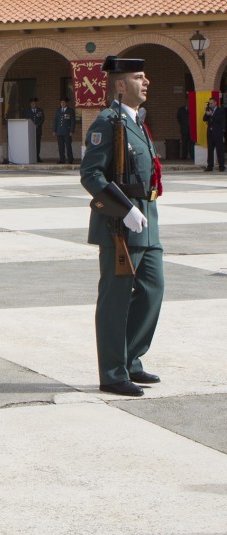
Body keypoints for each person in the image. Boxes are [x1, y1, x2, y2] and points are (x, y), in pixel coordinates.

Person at [80, 56, 164, 397]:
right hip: (120, 223)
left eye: (145, 77)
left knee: (153, 290)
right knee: (115, 299)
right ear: (119, 84)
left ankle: (131, 359)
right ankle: (113, 372)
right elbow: (91, 174)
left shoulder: (137, 122)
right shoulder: (107, 122)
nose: (146, 83)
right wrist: (125, 209)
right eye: (138, 77)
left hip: (146, 220)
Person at [203, 97, 226, 172]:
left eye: (211, 103)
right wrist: (207, 113)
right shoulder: (209, 110)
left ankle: (221, 166)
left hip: (218, 133)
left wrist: (212, 114)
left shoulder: (220, 110)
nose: (210, 104)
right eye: (209, 103)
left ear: (215, 103)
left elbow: (219, 119)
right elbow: (204, 119)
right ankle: (210, 166)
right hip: (210, 133)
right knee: (210, 150)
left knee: (219, 150)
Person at [54, 98, 76, 164]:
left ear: (66, 103)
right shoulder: (58, 111)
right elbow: (55, 121)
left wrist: (71, 131)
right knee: (61, 146)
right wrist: (54, 130)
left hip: (67, 131)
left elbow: (72, 122)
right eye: (61, 103)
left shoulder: (70, 111)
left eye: (63, 103)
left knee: (68, 145)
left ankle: (70, 159)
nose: (62, 104)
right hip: (59, 131)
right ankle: (62, 159)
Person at [26, 97, 45, 162]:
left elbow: (42, 119)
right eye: (32, 103)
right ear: (30, 104)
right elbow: (26, 120)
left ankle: (37, 157)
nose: (33, 104)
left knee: (37, 144)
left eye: (34, 103)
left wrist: (38, 125)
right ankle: (31, 157)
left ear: (36, 104)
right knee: (30, 144)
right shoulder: (27, 111)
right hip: (30, 131)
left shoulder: (40, 110)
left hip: (38, 131)